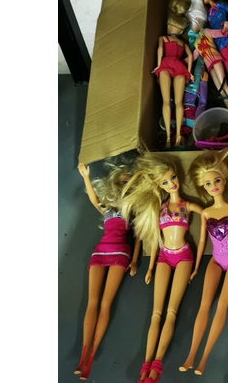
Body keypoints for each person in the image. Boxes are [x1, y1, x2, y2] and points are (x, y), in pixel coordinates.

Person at [120, 150, 203, 383]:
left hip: (184, 255)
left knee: (171, 312)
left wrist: (197, 265)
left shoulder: (188, 205)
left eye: (173, 177)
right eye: (165, 182)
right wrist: (149, 267)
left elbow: (207, 216)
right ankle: (145, 367)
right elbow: (155, 240)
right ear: (159, 185)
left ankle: (156, 365)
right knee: (156, 313)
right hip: (164, 257)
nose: (171, 183)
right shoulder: (159, 208)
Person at [179, 147, 228, 375]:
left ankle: (204, 359)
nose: (213, 186)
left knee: (222, 304)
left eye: (216, 181)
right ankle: (191, 355)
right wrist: (195, 267)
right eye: (208, 183)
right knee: (204, 305)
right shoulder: (206, 213)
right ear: (203, 186)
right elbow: (202, 241)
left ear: (224, 180)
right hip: (215, 259)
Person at [75, 160, 141, 381]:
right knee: (92, 302)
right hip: (100, 251)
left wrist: (134, 261)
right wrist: (86, 177)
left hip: (120, 253)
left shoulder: (133, 210)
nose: (125, 186)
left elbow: (139, 237)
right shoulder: (109, 209)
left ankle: (90, 357)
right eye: (122, 182)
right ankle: (83, 354)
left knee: (105, 303)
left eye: (128, 183)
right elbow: (94, 200)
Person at [186, 0, 228, 116]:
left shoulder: (207, 31)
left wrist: (224, 29)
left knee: (224, 86)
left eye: (193, 22)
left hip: (215, 60)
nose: (192, 26)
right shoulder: (196, 41)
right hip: (210, 66)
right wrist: (182, 61)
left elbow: (219, 33)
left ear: (198, 21)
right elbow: (194, 56)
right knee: (220, 90)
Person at [152, 1, 194, 148]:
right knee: (178, 102)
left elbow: (160, 50)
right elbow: (190, 56)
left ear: (169, 25)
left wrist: (158, 65)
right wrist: (189, 71)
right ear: (181, 31)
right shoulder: (183, 43)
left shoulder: (163, 38)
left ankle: (169, 138)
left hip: (166, 64)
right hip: (180, 67)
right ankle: (178, 135)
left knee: (165, 101)